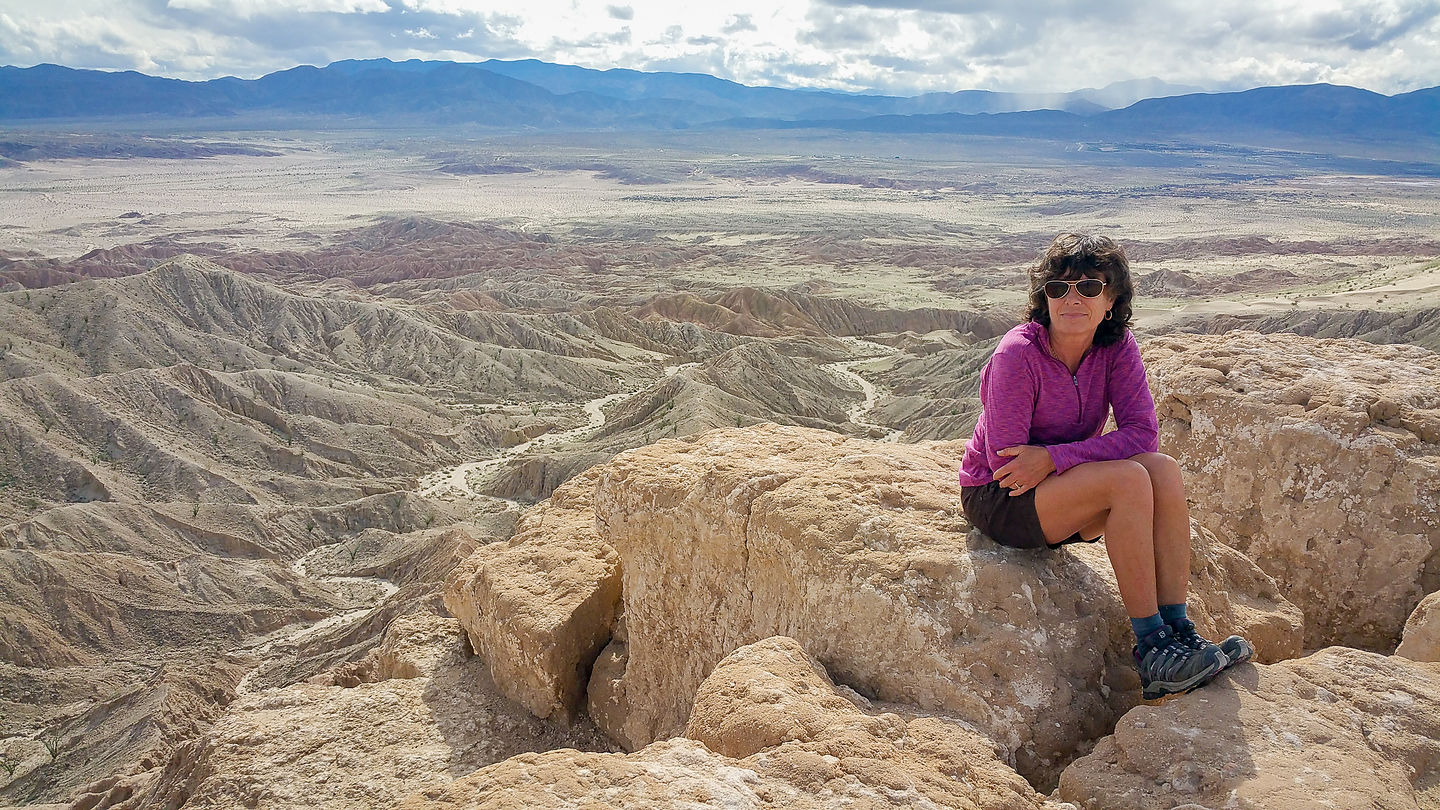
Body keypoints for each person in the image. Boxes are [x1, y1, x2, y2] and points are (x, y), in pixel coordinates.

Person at [957, 233, 1253, 700]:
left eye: (1089, 287)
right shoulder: (1019, 354)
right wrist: (1067, 465)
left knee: (1162, 470)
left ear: (1111, 300)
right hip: (999, 495)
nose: (1072, 298)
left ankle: (1178, 629)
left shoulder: (1116, 348)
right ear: (1044, 298)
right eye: (1059, 288)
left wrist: (1057, 457)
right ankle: (1152, 648)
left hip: (1058, 484)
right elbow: (1006, 461)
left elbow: (1143, 434)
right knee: (1128, 479)